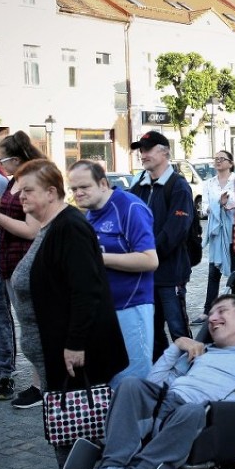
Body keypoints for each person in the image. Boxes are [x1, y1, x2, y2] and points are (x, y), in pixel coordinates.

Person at [10, 159, 128, 469]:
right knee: (70, 429)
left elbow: (86, 290)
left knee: (80, 429)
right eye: (19, 190)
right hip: (53, 352)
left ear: (51, 192)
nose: (20, 196)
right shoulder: (50, 227)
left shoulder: (70, 227)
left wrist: (75, 343)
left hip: (72, 355)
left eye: (28, 190)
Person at [92, 294, 235, 469]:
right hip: (168, 407)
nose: (212, 319)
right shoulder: (202, 352)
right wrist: (176, 347)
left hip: (207, 417)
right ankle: (110, 468)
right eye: (210, 315)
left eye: (221, 311)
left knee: (190, 410)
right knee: (130, 384)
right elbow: (154, 383)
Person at [68, 159, 158, 385]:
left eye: (84, 187)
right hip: (104, 309)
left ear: (103, 184)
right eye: (74, 189)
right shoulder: (89, 215)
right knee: (109, 380)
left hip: (132, 305)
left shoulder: (129, 207)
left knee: (132, 380)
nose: (78, 194)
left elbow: (150, 260)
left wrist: (98, 259)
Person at [0, 131, 45, 406]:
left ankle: (41, 386)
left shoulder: (32, 180)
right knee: (28, 325)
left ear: (15, 158)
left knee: (33, 326)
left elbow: (31, 230)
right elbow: (0, 219)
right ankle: (39, 383)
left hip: (26, 261)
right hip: (10, 261)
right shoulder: (15, 180)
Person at [128, 131, 194, 361]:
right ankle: (160, 377)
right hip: (145, 275)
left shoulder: (178, 186)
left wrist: (146, 254)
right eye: (140, 150)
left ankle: (190, 377)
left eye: (147, 149)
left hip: (170, 273)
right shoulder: (140, 185)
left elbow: (175, 231)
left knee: (178, 331)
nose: (142, 154)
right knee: (152, 332)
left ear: (164, 152)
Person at [194, 150, 235, 324]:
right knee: (214, 272)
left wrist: (234, 205)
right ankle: (208, 310)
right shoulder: (209, 183)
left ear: (230, 163)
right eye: (216, 159)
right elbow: (203, 209)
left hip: (233, 230)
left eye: (222, 159)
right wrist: (217, 205)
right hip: (216, 232)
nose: (218, 161)